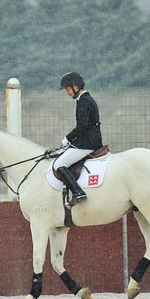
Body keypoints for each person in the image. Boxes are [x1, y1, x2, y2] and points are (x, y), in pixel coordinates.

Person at [52, 71, 103, 207]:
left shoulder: (84, 101)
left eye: (68, 89)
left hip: (87, 142)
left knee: (58, 164)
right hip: (90, 140)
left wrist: (68, 139)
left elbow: (82, 127)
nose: (67, 92)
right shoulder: (86, 99)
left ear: (75, 86)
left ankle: (78, 192)